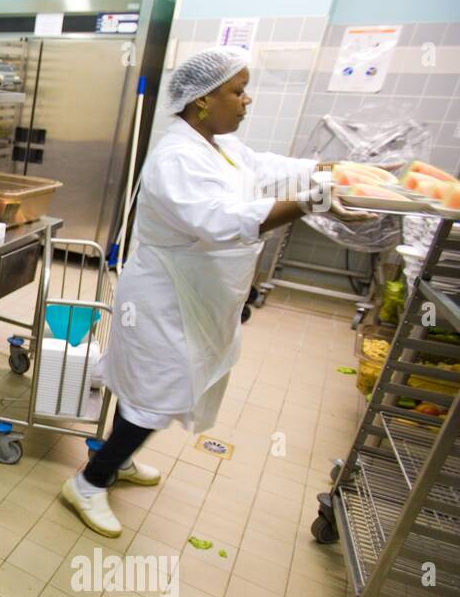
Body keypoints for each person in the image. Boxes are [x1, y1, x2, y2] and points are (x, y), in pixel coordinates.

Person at [60, 46, 374, 537]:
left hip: (196, 295)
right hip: (164, 297)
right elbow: (220, 221)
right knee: (157, 395)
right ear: (203, 99)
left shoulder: (216, 144)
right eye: (238, 90)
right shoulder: (176, 157)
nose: (247, 101)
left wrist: (328, 170)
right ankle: (88, 482)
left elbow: (265, 169)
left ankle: (114, 460)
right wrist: (314, 202)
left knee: (149, 389)